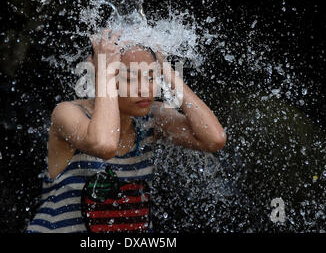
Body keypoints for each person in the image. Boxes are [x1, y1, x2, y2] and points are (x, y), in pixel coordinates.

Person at [26, 29, 226, 233]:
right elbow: (104, 145)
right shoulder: (67, 113)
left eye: (151, 77)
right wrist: (104, 72)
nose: (145, 90)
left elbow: (214, 139)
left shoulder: (151, 119)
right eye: (129, 79)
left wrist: (166, 70)